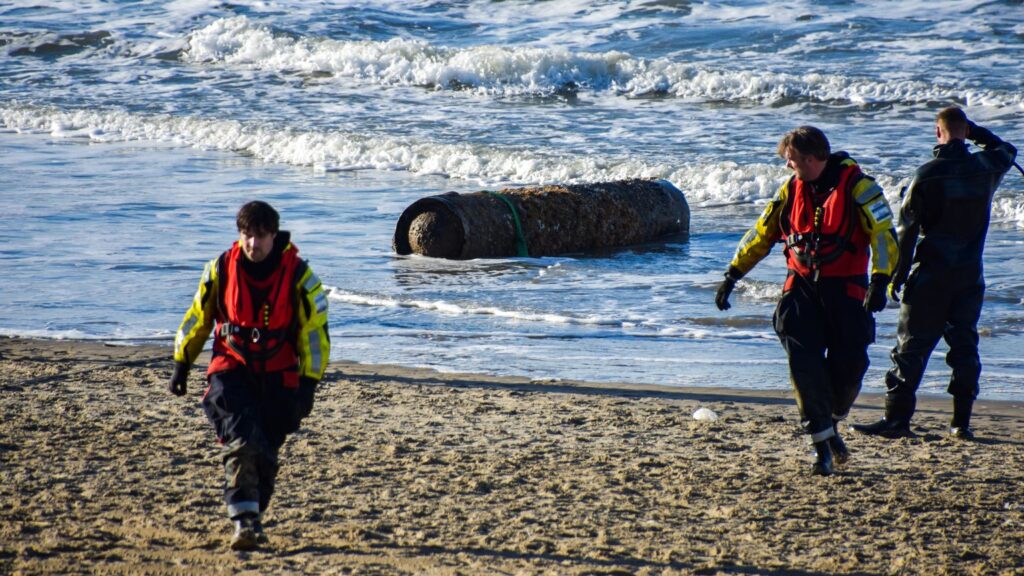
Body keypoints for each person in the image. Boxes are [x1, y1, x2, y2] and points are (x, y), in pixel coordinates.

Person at [715, 126, 898, 476]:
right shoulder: (790, 190)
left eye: (792, 161)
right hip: (800, 289)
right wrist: (732, 275)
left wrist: (881, 279)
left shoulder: (860, 188)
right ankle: (821, 446)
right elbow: (762, 232)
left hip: (846, 290)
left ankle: (830, 426)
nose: (788, 167)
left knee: (850, 368)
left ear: (812, 160)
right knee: (805, 363)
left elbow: (884, 235)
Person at [169, 200, 330, 550]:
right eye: (246, 236)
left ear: (274, 235)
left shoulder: (301, 277)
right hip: (231, 370)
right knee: (242, 443)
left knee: (265, 457)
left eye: (260, 236)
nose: (252, 244)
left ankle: (253, 518)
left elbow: (314, 335)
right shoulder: (221, 269)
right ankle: (242, 521)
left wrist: (308, 385)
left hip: (280, 379)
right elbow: (199, 317)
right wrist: (182, 363)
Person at [852, 108, 1017, 441]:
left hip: (931, 274)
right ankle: (960, 424)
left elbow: (907, 232)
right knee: (964, 346)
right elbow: (1007, 150)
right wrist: (975, 133)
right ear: (963, 131)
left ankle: (896, 420)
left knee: (910, 348)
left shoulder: (926, 175)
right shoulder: (986, 167)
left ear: (937, 133)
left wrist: (896, 277)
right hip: (970, 274)